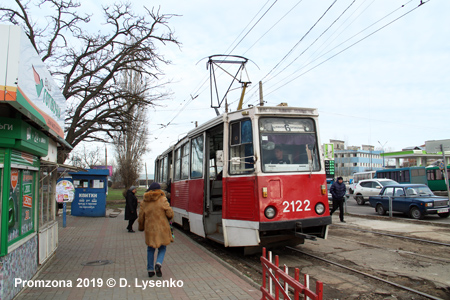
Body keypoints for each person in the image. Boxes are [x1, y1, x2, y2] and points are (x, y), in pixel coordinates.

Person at [139, 182, 174, 278]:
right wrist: (169, 217)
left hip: (150, 229)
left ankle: (150, 270)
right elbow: (170, 213)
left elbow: (141, 217)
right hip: (162, 228)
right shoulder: (162, 199)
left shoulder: (144, 201)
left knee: (150, 249)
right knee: (162, 248)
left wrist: (141, 227)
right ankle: (158, 264)